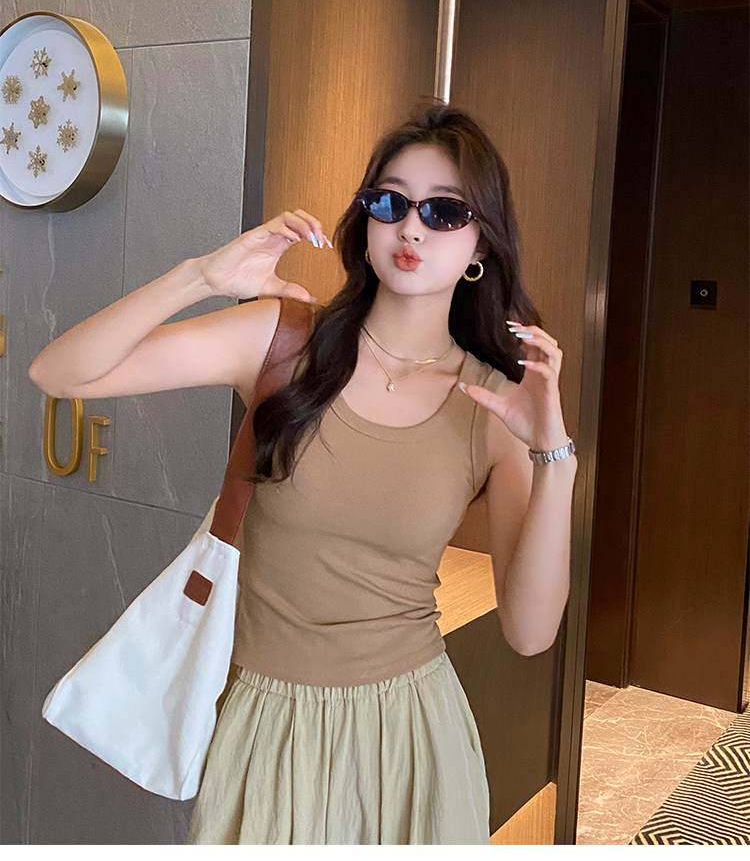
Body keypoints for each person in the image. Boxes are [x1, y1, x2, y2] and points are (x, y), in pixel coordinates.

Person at [28, 102, 578, 845]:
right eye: (391, 203)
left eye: (445, 211)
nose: (412, 229)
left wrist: (554, 457)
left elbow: (531, 632)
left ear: (481, 241)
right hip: (266, 727)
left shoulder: (494, 405)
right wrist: (199, 276)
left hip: (411, 739)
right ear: (365, 221)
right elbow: (59, 372)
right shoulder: (281, 341)